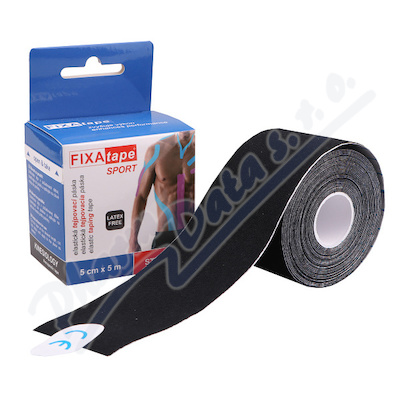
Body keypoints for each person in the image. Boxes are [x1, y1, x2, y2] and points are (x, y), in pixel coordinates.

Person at [129, 130, 195, 252]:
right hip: (165, 235)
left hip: (196, 233)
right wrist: (133, 240)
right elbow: (141, 196)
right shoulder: (156, 150)